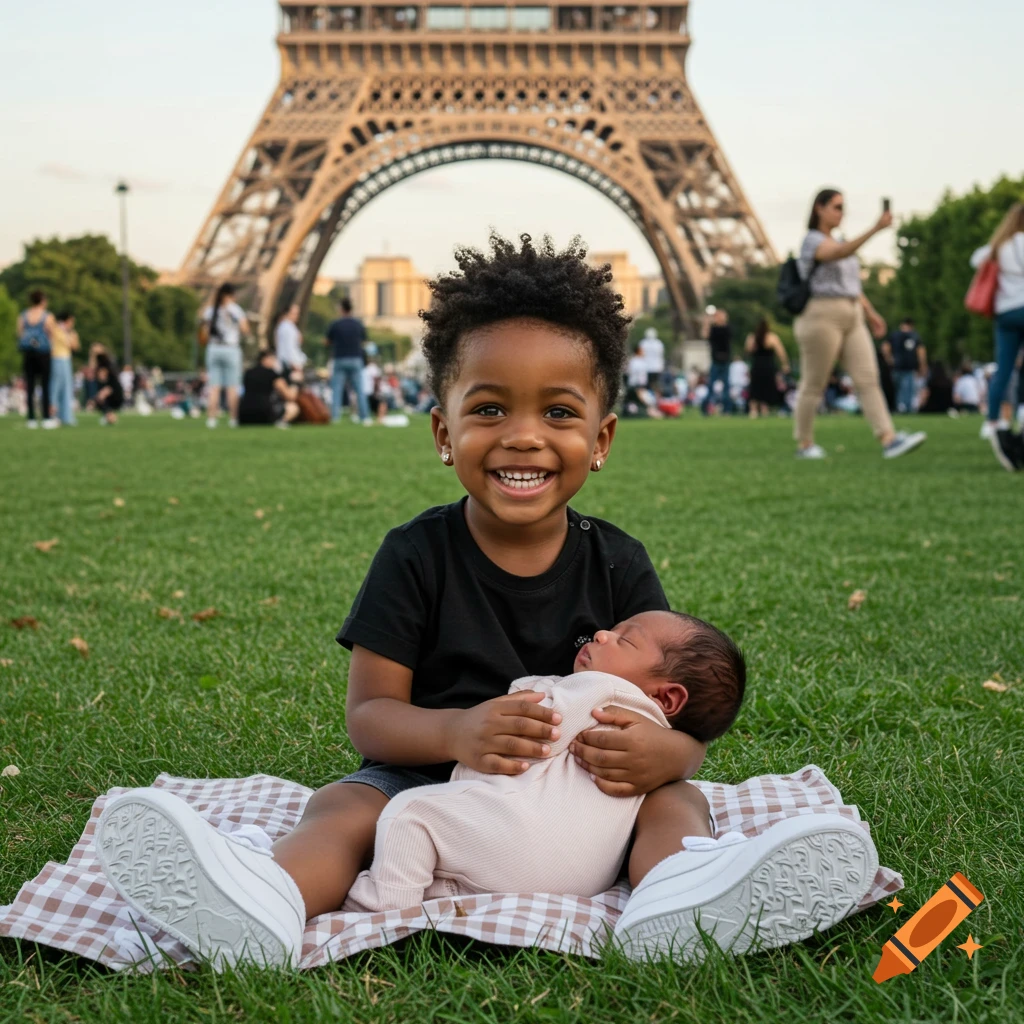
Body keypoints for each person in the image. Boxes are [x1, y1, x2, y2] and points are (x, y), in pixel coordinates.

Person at [92, 232, 877, 970]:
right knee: (341, 806)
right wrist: (459, 732)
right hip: (434, 787)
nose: (524, 436)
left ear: (602, 441)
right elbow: (371, 719)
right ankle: (265, 901)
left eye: (559, 412)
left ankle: (681, 898)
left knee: (675, 798)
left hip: (583, 801)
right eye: (490, 409)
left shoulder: (619, 564)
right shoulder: (414, 554)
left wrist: (670, 754)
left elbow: (674, 709)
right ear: (443, 431)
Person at [347, 611, 745, 911]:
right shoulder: (648, 736)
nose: (603, 633)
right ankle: (693, 883)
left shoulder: (603, 691)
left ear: (666, 698)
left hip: (523, 844)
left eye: (625, 641)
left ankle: (383, 906)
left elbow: (543, 723)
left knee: (411, 813)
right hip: (583, 874)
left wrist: (525, 695)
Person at [793, 189, 926, 459]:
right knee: (814, 382)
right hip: (822, 313)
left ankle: (888, 438)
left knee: (868, 378)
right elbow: (839, 252)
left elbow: (851, 286)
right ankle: (805, 443)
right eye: (837, 206)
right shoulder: (813, 241)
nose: (842, 212)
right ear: (819, 208)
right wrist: (875, 228)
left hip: (851, 312)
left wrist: (870, 312)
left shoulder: (837, 239)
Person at [970, 203, 1024, 470]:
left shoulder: (998, 247)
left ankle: (993, 422)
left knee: (1003, 370)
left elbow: (975, 260)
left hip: (1006, 312)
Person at [201, 283, 250, 429]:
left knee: (214, 387)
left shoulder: (210, 310)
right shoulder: (234, 309)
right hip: (230, 349)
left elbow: (204, 331)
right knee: (232, 387)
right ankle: (233, 419)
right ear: (231, 295)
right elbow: (245, 329)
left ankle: (211, 419)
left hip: (214, 349)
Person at [16, 289, 58, 429]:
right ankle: (46, 418)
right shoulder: (47, 316)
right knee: (45, 385)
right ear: (43, 301)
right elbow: (52, 333)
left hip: (29, 353)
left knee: (30, 385)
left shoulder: (23, 316)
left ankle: (31, 418)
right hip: (43, 353)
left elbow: (20, 333)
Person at [326, 297, 370, 423]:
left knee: (337, 390)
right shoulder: (358, 324)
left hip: (340, 358)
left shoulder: (335, 324)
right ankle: (365, 417)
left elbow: (327, 341)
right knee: (360, 390)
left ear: (341, 309)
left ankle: (335, 417)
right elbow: (364, 341)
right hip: (356, 359)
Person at [238, 349, 300, 427]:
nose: (274, 362)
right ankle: (281, 423)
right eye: (273, 359)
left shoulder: (248, 373)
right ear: (265, 359)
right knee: (293, 407)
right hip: (265, 414)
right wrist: (295, 383)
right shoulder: (272, 374)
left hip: (244, 415)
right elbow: (289, 396)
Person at [745, 318, 791, 418]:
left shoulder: (752, 338)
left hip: (756, 365)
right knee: (766, 387)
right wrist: (785, 364)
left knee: (755, 387)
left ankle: (753, 411)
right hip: (768, 365)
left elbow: (748, 350)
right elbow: (781, 352)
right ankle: (764, 409)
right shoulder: (772, 338)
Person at [883, 319, 927, 413]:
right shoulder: (914, 336)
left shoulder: (894, 335)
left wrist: (889, 359)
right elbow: (921, 351)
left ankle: (900, 406)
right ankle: (906, 407)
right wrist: (922, 365)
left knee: (899, 388)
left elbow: (885, 347)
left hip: (898, 366)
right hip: (908, 367)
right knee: (907, 389)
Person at [50, 310, 81, 426]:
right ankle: (53, 415)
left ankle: (66, 416)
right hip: (56, 358)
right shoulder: (56, 329)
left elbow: (75, 347)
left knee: (67, 388)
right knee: (55, 387)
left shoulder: (69, 332)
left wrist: (71, 335)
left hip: (66, 359)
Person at [702, 309, 733, 415]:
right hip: (715, 360)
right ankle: (706, 409)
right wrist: (707, 322)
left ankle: (727, 410)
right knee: (711, 386)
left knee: (726, 387)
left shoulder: (727, 328)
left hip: (725, 360)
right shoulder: (713, 329)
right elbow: (705, 335)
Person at [274, 304, 307, 381]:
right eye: (295, 313)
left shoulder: (286, 326)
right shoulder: (287, 327)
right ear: (287, 313)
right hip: (289, 365)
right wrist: (294, 364)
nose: (297, 316)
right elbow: (289, 347)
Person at [94, 352, 124, 425]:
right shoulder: (103, 377)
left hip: (115, 398)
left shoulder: (112, 379)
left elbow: (108, 391)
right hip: (112, 399)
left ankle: (109, 416)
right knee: (99, 399)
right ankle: (109, 416)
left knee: (100, 398)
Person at [638, 327, 665, 395]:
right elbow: (661, 356)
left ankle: (650, 397)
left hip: (646, 368)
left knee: (647, 385)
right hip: (656, 368)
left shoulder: (643, 343)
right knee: (655, 385)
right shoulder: (659, 343)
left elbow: (641, 356)